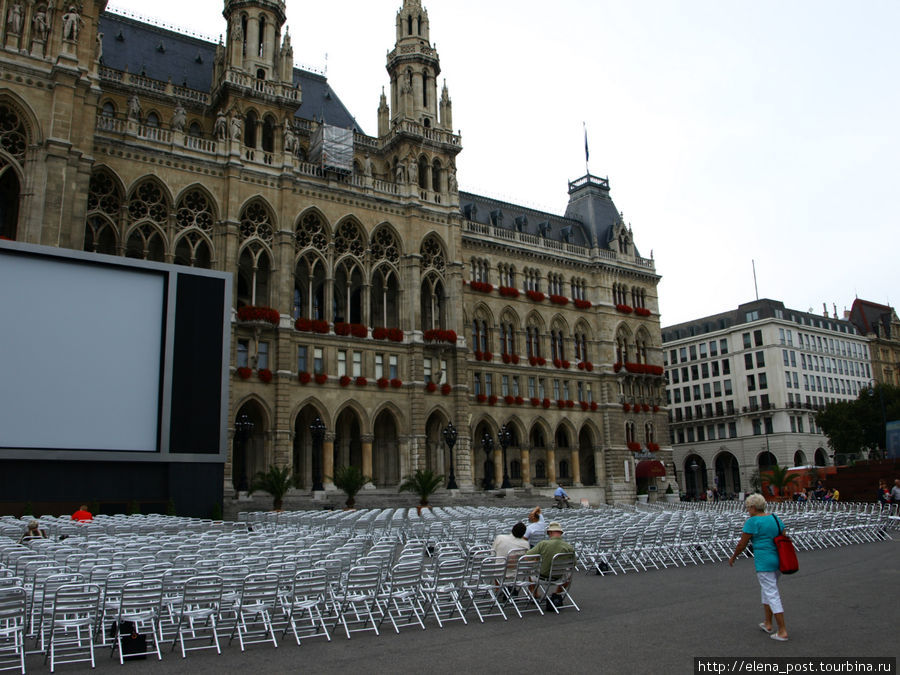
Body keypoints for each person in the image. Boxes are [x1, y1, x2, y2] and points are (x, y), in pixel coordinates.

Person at [729, 493, 789, 641]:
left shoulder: (752, 522)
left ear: (754, 508)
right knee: (767, 590)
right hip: (779, 560)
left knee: (772, 593)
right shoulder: (775, 518)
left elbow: (742, 544)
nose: (747, 510)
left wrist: (734, 556)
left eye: (748, 507)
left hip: (764, 561)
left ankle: (782, 630)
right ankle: (768, 623)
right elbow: (784, 535)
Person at [526, 521, 574, 610]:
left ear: (550, 533)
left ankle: (534, 594)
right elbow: (573, 564)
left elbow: (527, 556)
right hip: (559, 577)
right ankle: (557, 594)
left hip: (542, 576)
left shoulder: (543, 544)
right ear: (560, 533)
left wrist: (537, 558)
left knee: (531, 569)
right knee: (569, 573)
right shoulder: (569, 547)